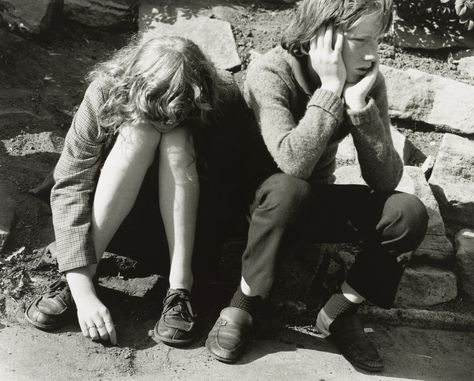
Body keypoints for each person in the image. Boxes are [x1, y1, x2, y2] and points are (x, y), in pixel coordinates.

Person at [206, 0, 428, 372]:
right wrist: (329, 90)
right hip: (255, 203)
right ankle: (242, 304)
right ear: (319, 36)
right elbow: (293, 162)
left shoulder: (366, 79)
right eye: (360, 40)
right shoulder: (270, 72)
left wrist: (359, 108)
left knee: (408, 212)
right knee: (289, 189)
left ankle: (338, 310)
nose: (373, 54)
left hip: (307, 202)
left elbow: (386, 179)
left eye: (377, 40)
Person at [25, 32, 248, 347]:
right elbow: (71, 180)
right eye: (157, 114)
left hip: (183, 228)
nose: (167, 121)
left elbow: (231, 184)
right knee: (138, 134)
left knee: (176, 141)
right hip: (112, 220)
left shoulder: (224, 97)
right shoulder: (105, 90)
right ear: (133, 87)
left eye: (178, 114)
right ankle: (83, 273)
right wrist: (80, 288)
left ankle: (181, 289)